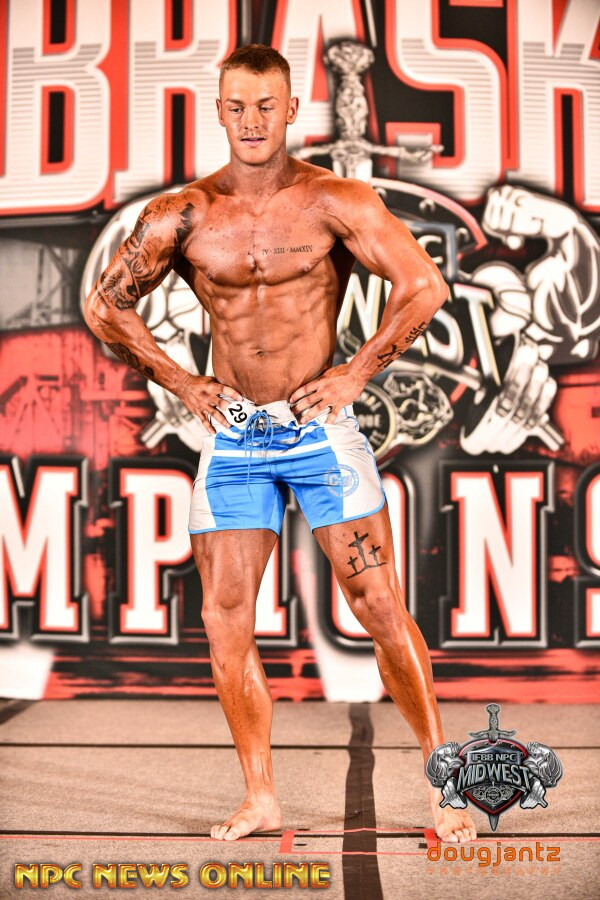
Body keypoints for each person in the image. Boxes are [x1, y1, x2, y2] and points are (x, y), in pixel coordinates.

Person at [84, 44, 476, 845]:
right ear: (219, 112)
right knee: (225, 619)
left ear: (291, 110)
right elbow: (105, 306)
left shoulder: (335, 200)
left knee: (378, 603)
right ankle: (261, 797)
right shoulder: (185, 214)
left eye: (267, 105)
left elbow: (423, 285)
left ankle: (446, 788)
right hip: (234, 438)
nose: (252, 120)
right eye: (238, 106)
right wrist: (182, 382)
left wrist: (356, 373)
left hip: (318, 431)